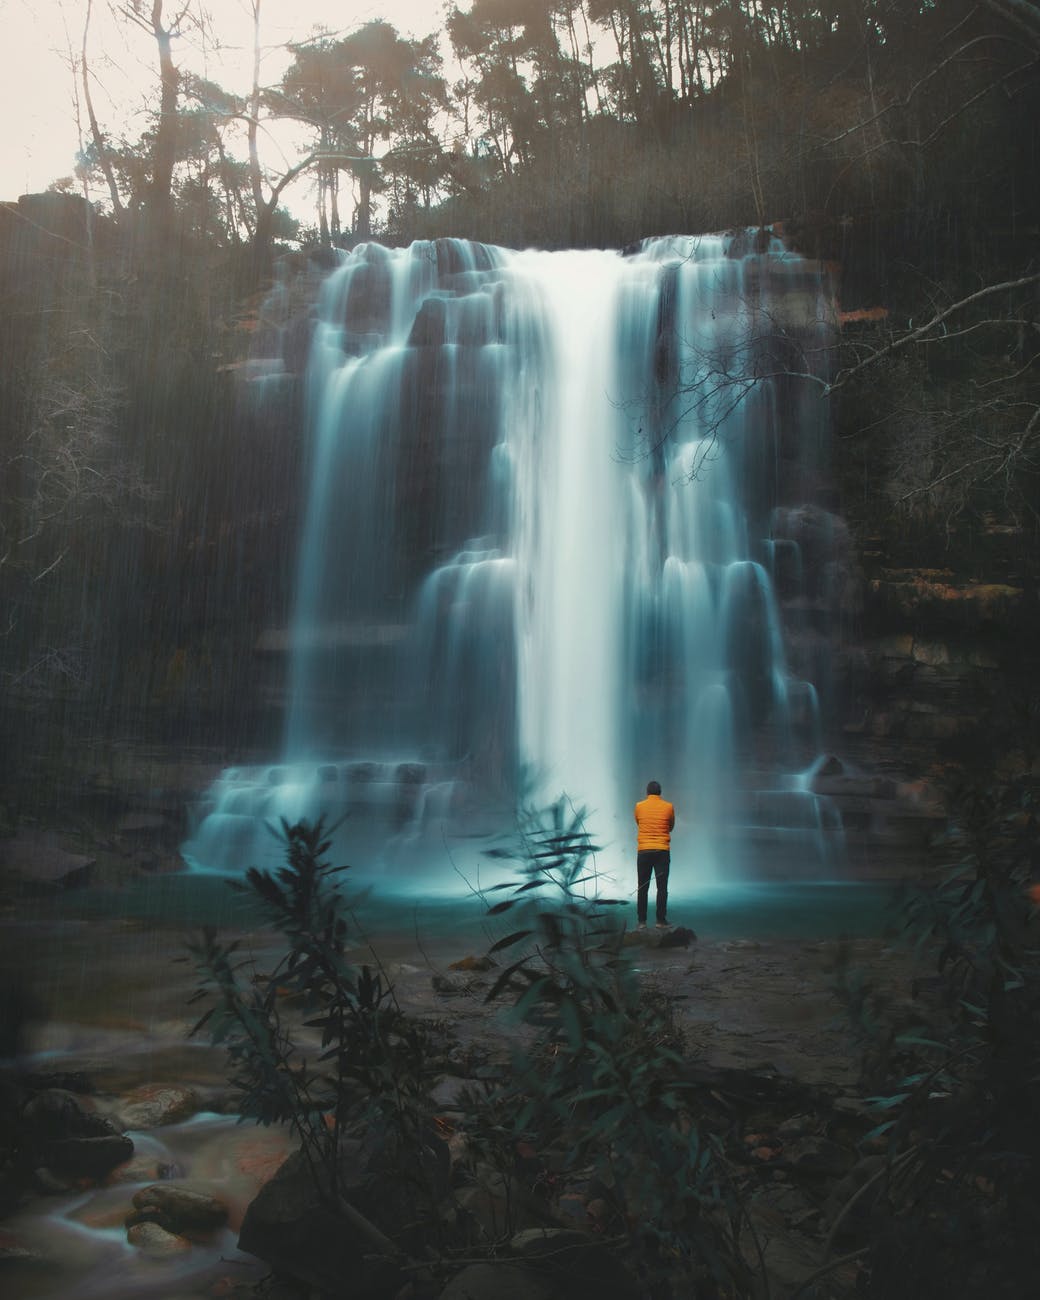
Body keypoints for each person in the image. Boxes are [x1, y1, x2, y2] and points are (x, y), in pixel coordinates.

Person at [634, 780, 675, 929]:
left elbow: (638, 822)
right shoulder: (668, 807)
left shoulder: (639, 806)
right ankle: (660, 921)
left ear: (647, 792)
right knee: (662, 887)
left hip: (644, 851)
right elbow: (671, 826)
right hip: (662, 851)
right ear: (660, 793)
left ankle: (642, 922)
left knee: (642, 887)